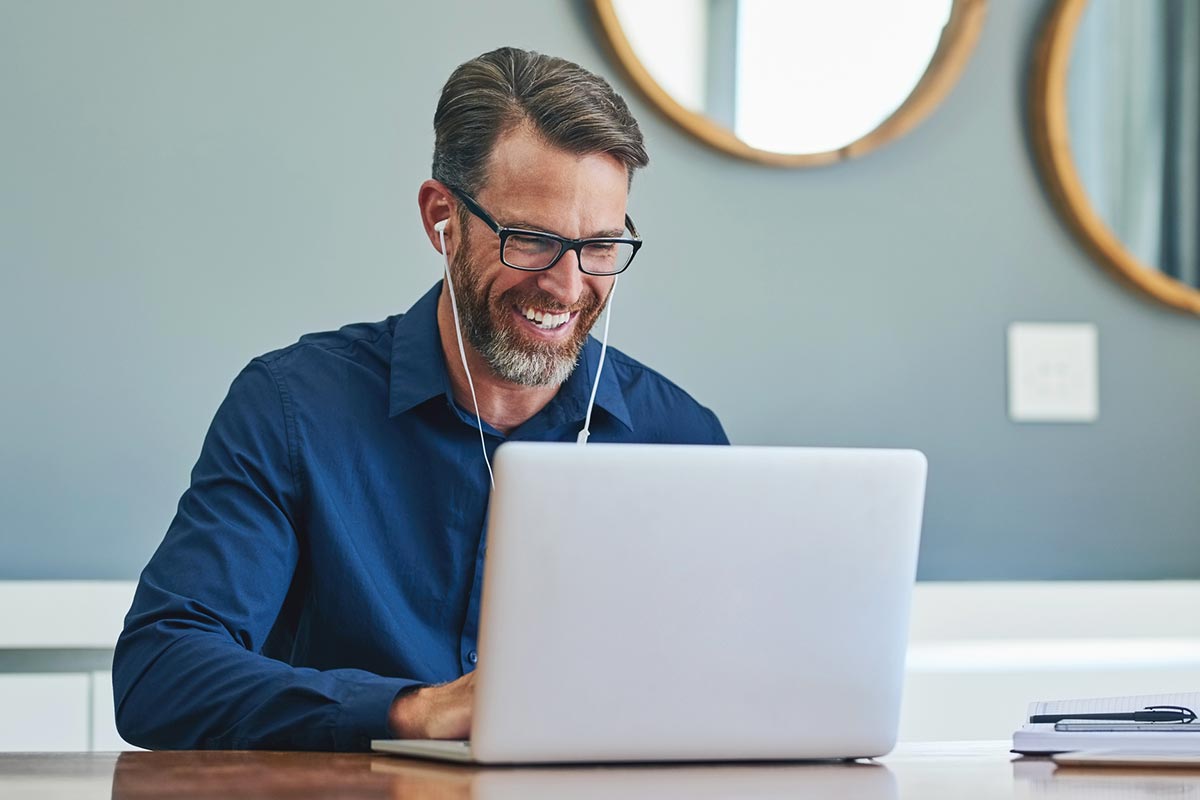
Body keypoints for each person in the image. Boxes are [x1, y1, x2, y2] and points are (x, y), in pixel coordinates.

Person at [113, 47, 727, 752]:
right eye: (531, 240)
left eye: (599, 246)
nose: (567, 284)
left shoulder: (681, 437)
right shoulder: (293, 409)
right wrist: (409, 711)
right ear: (442, 218)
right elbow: (159, 672)